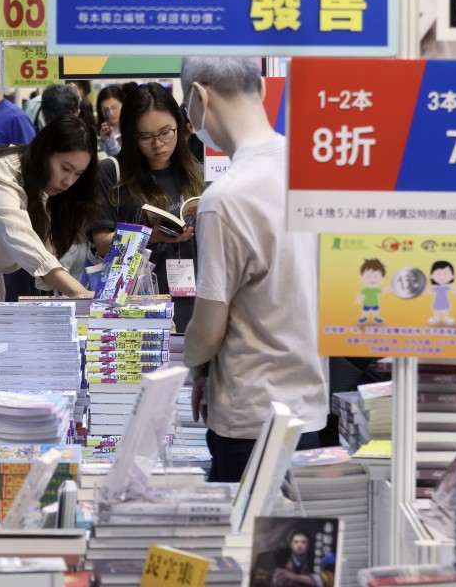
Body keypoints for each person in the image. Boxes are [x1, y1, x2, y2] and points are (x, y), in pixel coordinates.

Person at [180, 57, 326, 482]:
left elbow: (208, 331)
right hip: (311, 412)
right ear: (261, 89)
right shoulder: (312, 169)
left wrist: (193, 363)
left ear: (199, 97)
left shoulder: (224, 198)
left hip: (250, 419)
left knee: (242, 543)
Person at [89, 82, 204, 331]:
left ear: (179, 126)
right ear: (131, 135)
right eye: (146, 137)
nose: (158, 144)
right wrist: (150, 236)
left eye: (166, 132)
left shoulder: (196, 173)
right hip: (135, 305)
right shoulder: (112, 172)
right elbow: (101, 242)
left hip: (193, 302)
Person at [0, 116, 99, 300]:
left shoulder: (35, 176)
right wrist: (79, 293)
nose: (68, 181)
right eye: (65, 168)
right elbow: (23, 240)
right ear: (45, 151)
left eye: (78, 174)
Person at [251, 528, 333, 587]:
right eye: (296, 542)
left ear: (308, 544)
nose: (300, 545)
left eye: (304, 542)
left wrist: (293, 576)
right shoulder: (280, 559)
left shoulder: (315, 560)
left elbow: (324, 580)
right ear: (290, 544)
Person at [96, 84, 125, 156]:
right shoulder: (96, 135)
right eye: (106, 110)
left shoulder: (132, 132)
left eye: (114, 107)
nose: (111, 113)